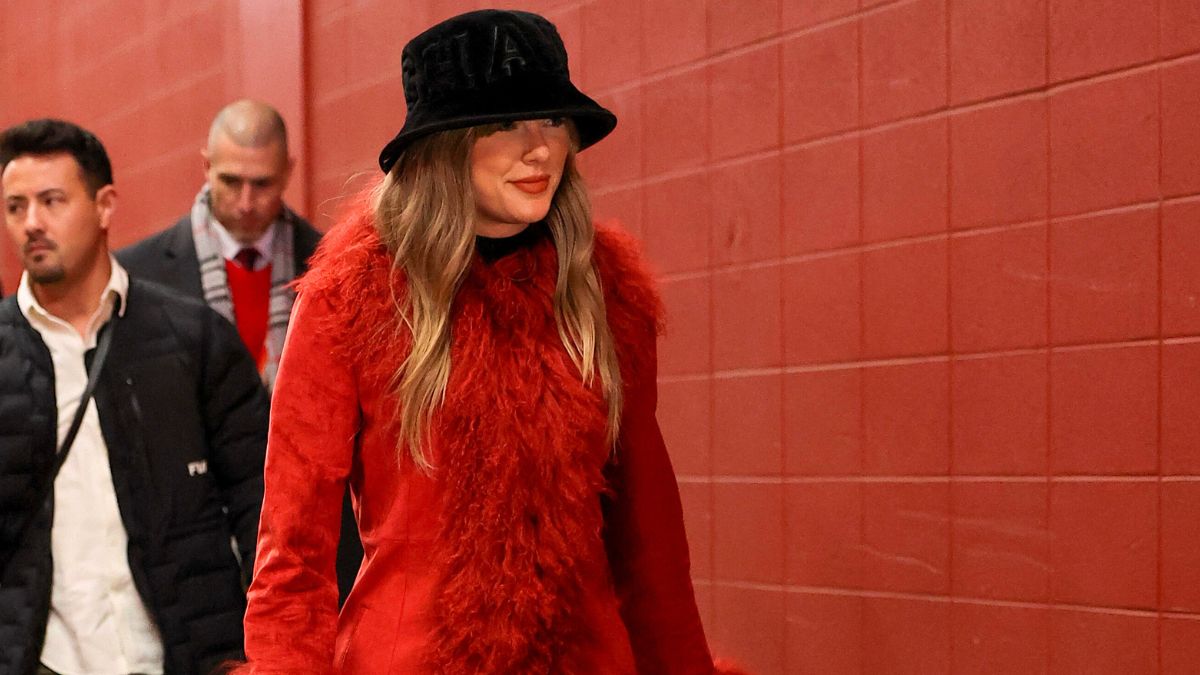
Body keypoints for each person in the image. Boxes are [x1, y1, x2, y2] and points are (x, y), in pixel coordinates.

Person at [238, 9, 728, 674]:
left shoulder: (603, 294)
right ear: (442, 146)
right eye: (505, 124)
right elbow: (292, 555)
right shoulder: (354, 301)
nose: (541, 148)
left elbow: (651, 546)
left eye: (553, 119)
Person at [0, 119, 269, 674]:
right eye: (15, 207)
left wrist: (259, 648)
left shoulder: (192, 338)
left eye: (51, 201)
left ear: (104, 205)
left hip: (186, 655)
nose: (32, 224)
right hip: (47, 660)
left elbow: (263, 503)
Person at [117, 100, 363, 604]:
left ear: (289, 172)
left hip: (312, 535)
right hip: (188, 545)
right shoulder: (137, 276)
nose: (247, 201)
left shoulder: (339, 269)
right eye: (231, 181)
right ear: (205, 166)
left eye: (264, 183)